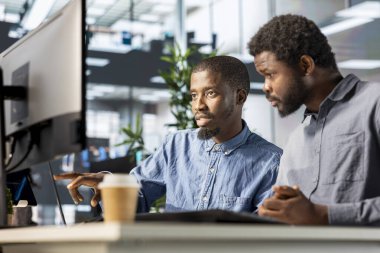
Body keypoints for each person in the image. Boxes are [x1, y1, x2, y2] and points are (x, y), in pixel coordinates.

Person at [55, 56, 282, 213]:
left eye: (210, 93)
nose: (198, 105)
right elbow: (138, 198)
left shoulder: (271, 162)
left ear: (240, 97)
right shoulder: (176, 145)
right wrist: (112, 186)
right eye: (194, 95)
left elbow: (265, 239)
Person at [248, 14, 380, 225]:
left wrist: (323, 215)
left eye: (270, 74)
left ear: (305, 65)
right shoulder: (295, 142)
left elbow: (315, 217)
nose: (266, 86)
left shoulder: (375, 103)